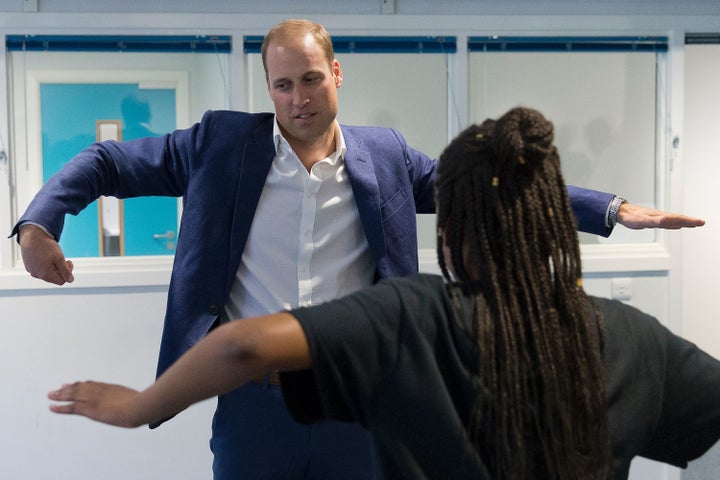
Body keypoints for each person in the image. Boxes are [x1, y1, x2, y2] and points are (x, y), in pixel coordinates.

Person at [16, 19, 704, 480]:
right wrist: (40, 225)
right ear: (268, 89)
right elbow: (106, 161)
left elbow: (490, 183)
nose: (298, 98)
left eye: (310, 79)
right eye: (282, 84)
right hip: (253, 396)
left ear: (336, 74)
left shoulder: (386, 157)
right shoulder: (219, 147)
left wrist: (611, 209)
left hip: (363, 390)